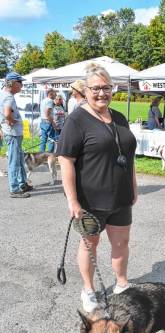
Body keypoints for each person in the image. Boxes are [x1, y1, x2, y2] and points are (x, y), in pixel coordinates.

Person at [57, 62, 138, 313]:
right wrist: (72, 200)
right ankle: (88, 289)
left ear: (112, 89)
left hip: (121, 196)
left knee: (121, 243)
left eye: (106, 88)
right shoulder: (77, 120)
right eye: (95, 89)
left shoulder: (120, 117)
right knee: (90, 245)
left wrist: (133, 187)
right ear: (86, 90)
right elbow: (66, 160)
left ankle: (122, 284)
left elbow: (129, 154)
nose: (101, 93)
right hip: (90, 199)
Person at [0, 71, 32, 198]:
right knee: (14, 160)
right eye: (20, 82)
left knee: (19, 158)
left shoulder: (3, 94)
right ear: (13, 83)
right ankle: (14, 189)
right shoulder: (8, 96)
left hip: (13, 133)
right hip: (13, 133)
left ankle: (22, 183)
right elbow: (7, 113)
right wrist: (11, 121)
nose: (22, 85)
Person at [40, 88, 56, 152]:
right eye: (54, 93)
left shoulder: (43, 100)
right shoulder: (50, 101)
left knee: (43, 140)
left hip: (43, 121)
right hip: (48, 122)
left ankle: (41, 155)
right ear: (50, 94)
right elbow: (47, 114)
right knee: (51, 139)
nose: (55, 94)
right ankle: (50, 156)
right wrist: (52, 123)